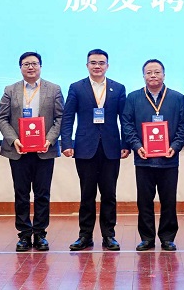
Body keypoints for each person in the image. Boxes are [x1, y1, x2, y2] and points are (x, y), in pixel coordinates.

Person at [60, 48, 128, 251]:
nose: (97, 66)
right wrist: (66, 143)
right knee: (87, 194)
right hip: (84, 148)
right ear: (87, 65)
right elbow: (68, 117)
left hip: (111, 148)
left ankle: (109, 235)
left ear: (107, 65)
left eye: (101, 63)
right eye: (93, 63)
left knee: (109, 194)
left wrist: (125, 144)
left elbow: (125, 119)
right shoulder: (76, 87)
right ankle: (85, 235)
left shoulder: (118, 88)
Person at [0, 52, 64, 252]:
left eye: (34, 63)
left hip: (44, 150)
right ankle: (24, 234)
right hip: (19, 150)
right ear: (20, 68)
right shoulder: (10, 90)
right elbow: (1, 118)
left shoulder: (54, 89)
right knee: (21, 193)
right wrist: (14, 140)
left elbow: (61, 118)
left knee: (42, 194)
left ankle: (41, 234)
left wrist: (49, 140)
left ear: (40, 66)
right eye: (26, 64)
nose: (31, 67)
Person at [121, 59, 184, 251]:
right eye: (149, 72)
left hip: (169, 159)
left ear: (164, 75)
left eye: (157, 72)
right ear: (143, 76)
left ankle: (167, 238)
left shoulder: (177, 98)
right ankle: (147, 238)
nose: (153, 76)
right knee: (144, 200)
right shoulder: (133, 98)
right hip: (143, 159)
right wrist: (137, 146)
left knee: (169, 200)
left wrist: (175, 146)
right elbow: (127, 124)